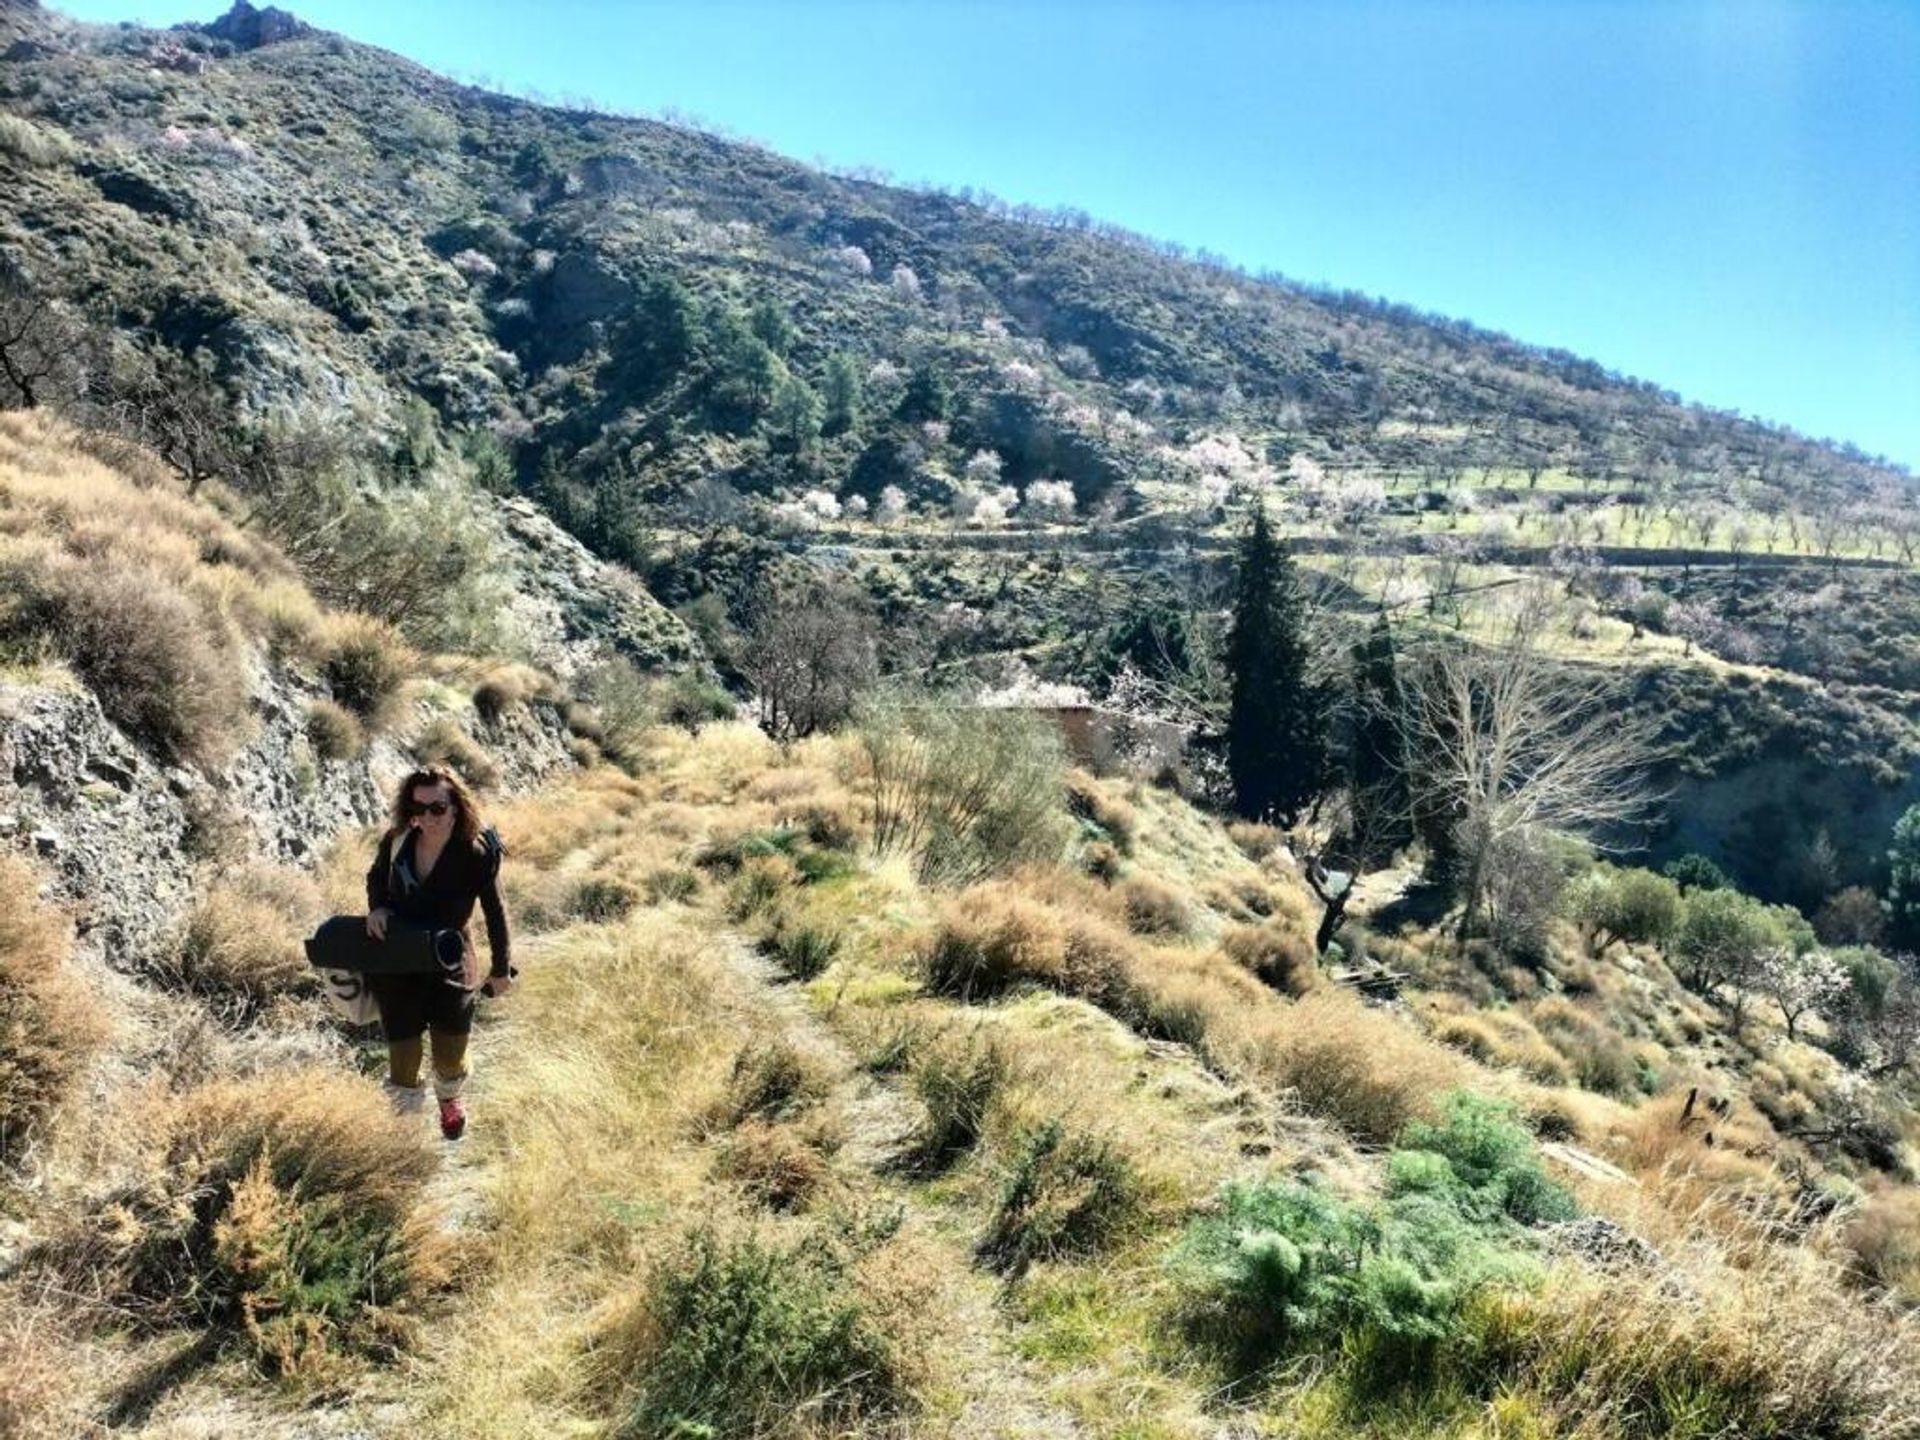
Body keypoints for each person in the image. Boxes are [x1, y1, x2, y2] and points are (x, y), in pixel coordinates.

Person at [365, 765, 512, 1139]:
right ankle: (404, 1135)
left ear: (456, 806)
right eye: (419, 809)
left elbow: (495, 910)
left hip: (452, 959)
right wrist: (378, 907)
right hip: (397, 960)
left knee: (449, 1052)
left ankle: (449, 1099)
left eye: (437, 809)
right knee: (403, 1050)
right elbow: (375, 878)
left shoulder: (476, 851)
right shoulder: (397, 840)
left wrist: (501, 967)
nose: (428, 818)